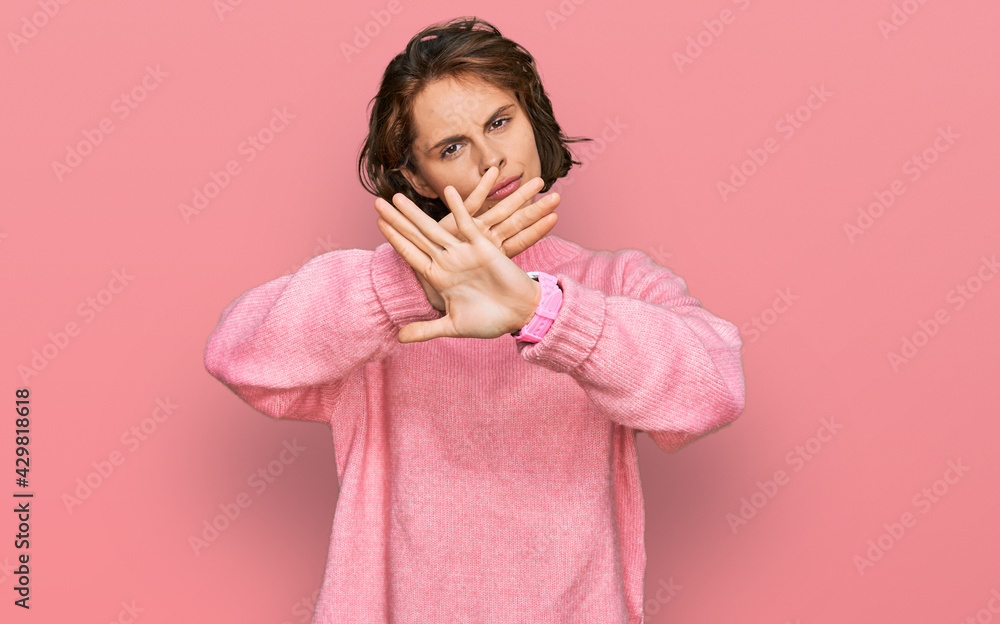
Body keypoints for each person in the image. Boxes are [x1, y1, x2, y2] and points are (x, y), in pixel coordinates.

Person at [204, 16, 746, 624]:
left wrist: (542, 312)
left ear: (531, 117)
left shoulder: (617, 281)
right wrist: (414, 284)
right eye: (451, 147)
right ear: (417, 176)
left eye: (499, 122)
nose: (493, 160)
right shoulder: (372, 311)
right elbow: (238, 355)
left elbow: (714, 393)